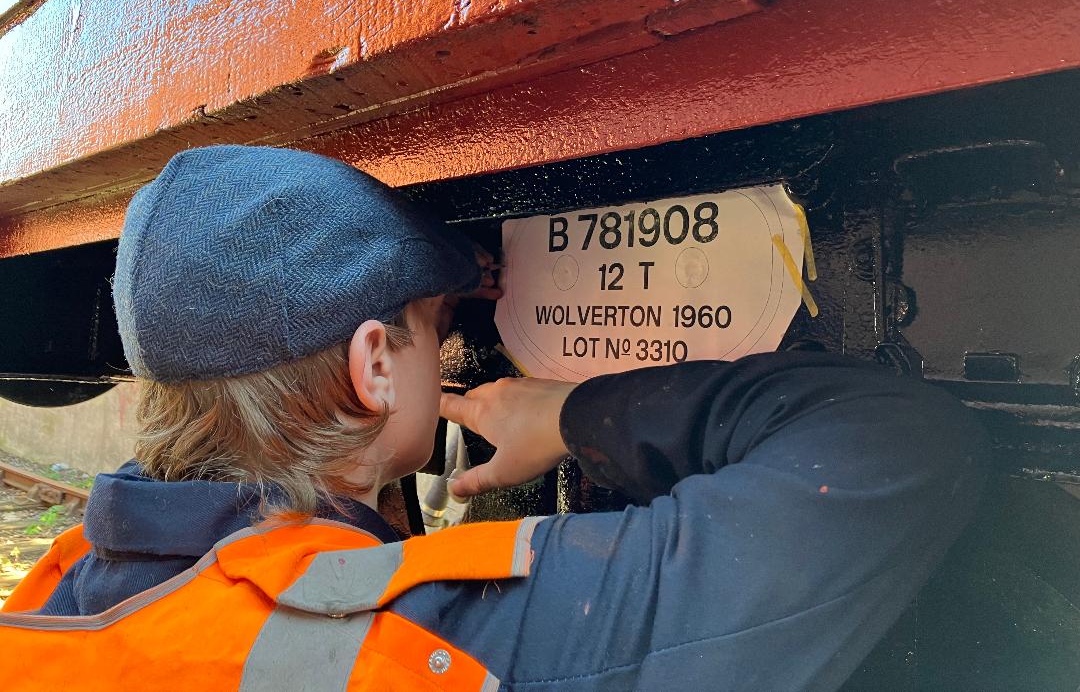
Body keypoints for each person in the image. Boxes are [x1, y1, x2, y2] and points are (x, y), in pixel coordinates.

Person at [0, 145, 987, 691]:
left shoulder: (62, 588)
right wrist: (577, 412)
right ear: (375, 367)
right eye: (437, 328)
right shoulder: (448, 636)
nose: (452, 351)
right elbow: (896, 446)